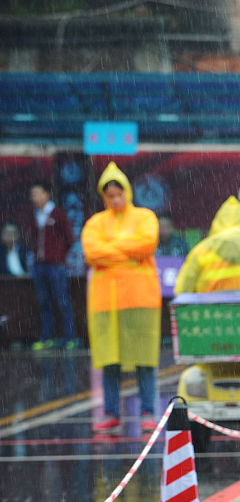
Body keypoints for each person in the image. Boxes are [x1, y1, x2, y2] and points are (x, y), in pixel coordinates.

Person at [80, 162, 163, 433]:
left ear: (127, 192)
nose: (115, 199)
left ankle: (148, 411)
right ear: (104, 197)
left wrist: (110, 251)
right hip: (105, 303)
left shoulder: (145, 217)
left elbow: (146, 244)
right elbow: (92, 253)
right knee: (110, 360)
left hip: (140, 299)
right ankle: (111, 412)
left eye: (119, 193)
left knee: (144, 359)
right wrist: (127, 252)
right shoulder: (95, 223)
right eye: (110, 195)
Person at [23, 181, 79, 350]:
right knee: (44, 302)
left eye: (38, 193)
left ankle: (70, 337)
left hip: (56, 266)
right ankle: (46, 337)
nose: (35, 198)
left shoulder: (58, 214)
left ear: (47, 194)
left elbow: (69, 239)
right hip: (39, 266)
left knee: (62, 301)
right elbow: (30, 237)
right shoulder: (33, 215)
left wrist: (59, 256)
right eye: (33, 195)